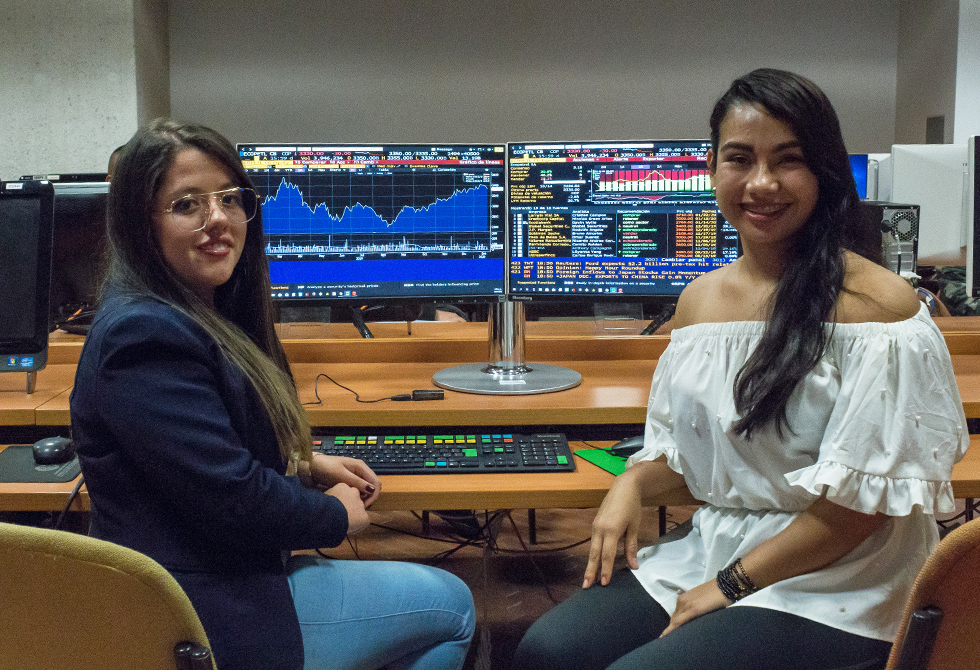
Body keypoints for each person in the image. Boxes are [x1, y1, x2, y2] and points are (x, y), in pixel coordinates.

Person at [512, 68, 968, 670]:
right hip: (719, 548)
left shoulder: (877, 309)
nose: (761, 183)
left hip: (845, 579)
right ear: (711, 167)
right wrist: (631, 485)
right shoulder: (699, 303)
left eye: (788, 160)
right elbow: (702, 465)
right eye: (740, 159)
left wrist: (727, 587)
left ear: (824, 172)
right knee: (547, 652)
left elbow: (856, 513)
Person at [69, 119, 475, 670]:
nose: (218, 218)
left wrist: (303, 465)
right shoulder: (144, 336)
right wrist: (334, 518)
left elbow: (204, 454)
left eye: (229, 199)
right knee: (455, 607)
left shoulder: (192, 308)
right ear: (141, 224)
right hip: (200, 609)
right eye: (187, 205)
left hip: (213, 574)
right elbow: (231, 499)